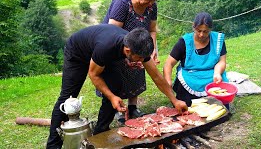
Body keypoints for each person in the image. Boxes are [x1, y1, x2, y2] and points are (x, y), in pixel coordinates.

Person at [46, 24, 187, 149]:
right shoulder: (106, 47)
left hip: (99, 51)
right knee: (68, 97)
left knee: (116, 86)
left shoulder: (137, 45)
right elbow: (94, 74)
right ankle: (53, 145)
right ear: (127, 51)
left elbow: (156, 76)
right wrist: (112, 97)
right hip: (78, 52)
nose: (140, 62)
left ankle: (99, 134)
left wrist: (174, 101)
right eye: (138, 58)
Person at [100, 0, 161, 122]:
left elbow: (152, 29)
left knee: (136, 72)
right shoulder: (122, 2)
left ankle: (133, 108)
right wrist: (127, 52)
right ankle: (118, 110)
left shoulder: (152, 6)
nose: (151, 3)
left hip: (139, 45)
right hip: (119, 46)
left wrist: (152, 49)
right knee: (117, 76)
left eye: (154, 0)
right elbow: (112, 32)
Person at [163, 12, 229, 107]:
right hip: (190, 76)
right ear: (193, 27)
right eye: (198, 30)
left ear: (210, 29)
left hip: (212, 75)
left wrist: (217, 73)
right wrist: (168, 80)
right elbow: (168, 64)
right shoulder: (184, 42)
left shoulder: (218, 40)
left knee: (219, 106)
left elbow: (222, 61)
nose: (201, 34)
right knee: (187, 105)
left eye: (205, 31)